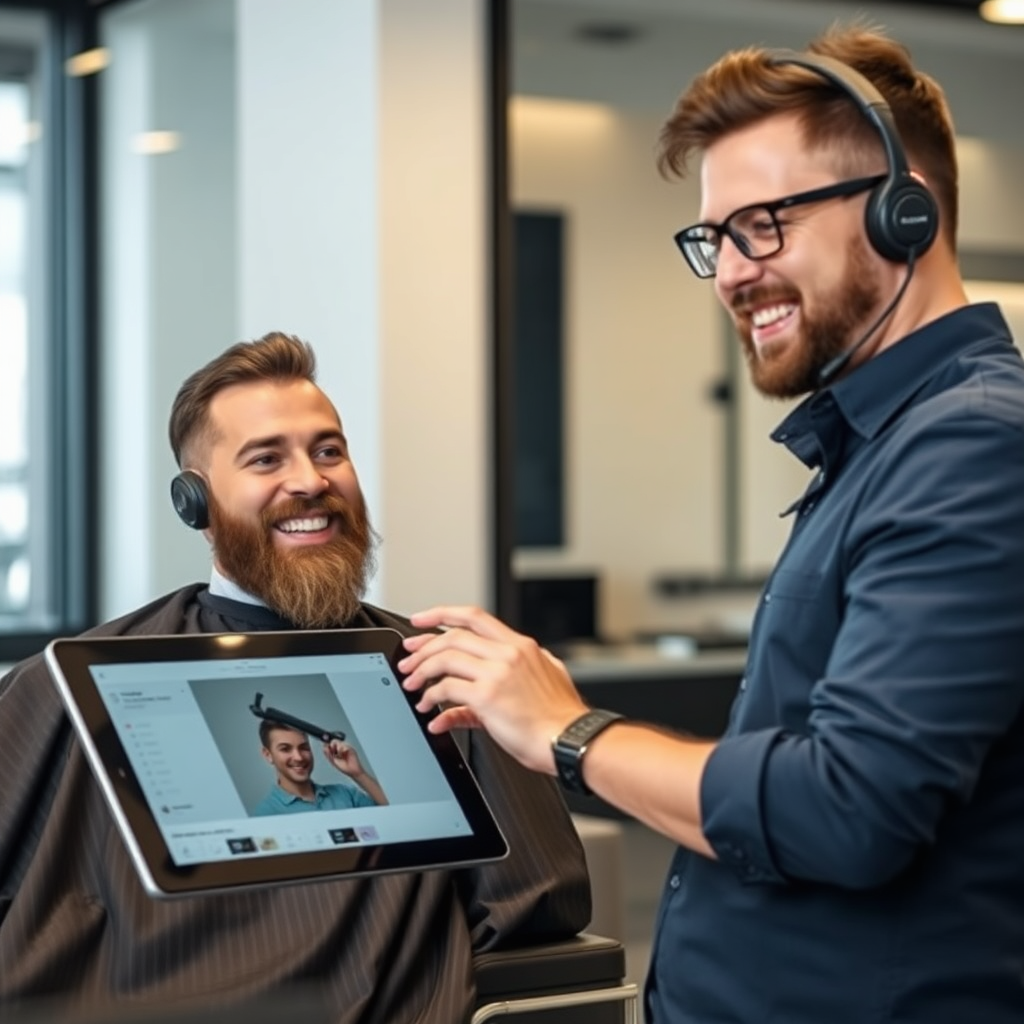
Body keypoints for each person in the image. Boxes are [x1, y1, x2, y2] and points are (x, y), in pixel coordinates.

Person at [398, 23, 1024, 1024]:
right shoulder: (882, 446)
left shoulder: (973, 446)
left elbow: (847, 811)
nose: (730, 272)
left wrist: (568, 733)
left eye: (763, 225)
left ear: (904, 212)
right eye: (715, 238)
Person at [0, 332, 590, 1023]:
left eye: (329, 451)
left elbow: (542, 903)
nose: (310, 480)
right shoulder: (63, 684)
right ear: (194, 502)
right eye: (266, 458)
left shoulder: (451, 677)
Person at [252, 720, 388, 814]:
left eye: (304, 747)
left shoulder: (346, 794)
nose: (299, 757)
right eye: (285, 749)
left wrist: (358, 774)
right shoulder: (266, 812)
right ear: (268, 755)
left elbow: (395, 813)